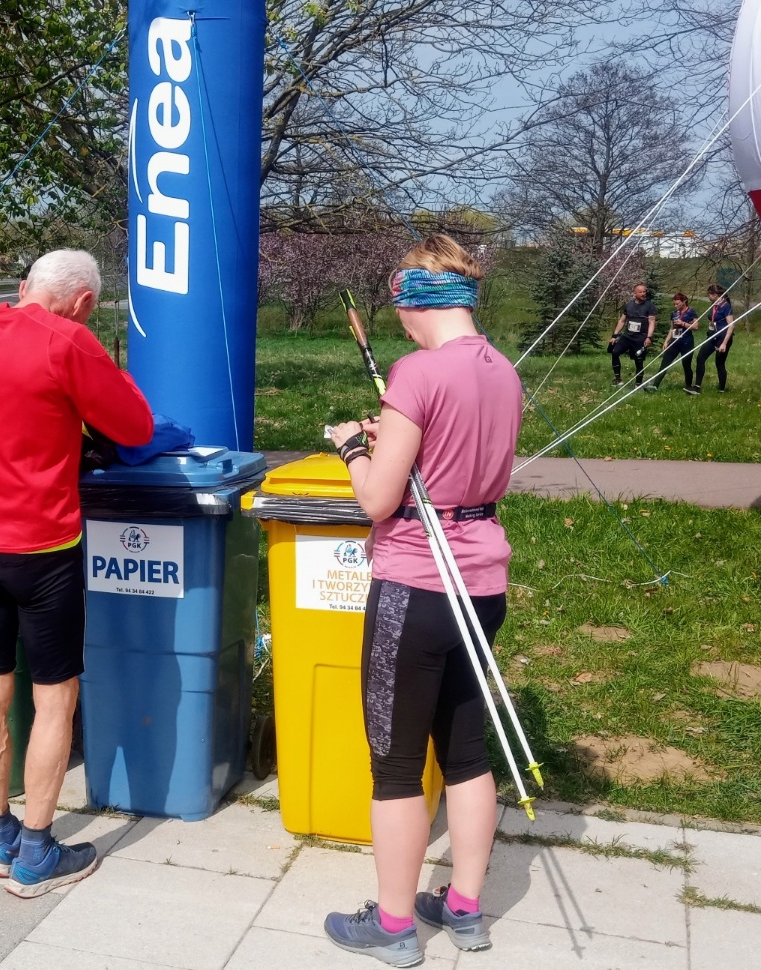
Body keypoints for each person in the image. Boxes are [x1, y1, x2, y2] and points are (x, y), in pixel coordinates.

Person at [323, 235, 522, 966]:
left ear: (415, 302)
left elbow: (379, 499)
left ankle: (396, 926)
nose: (399, 323)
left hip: (415, 588)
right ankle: (466, 910)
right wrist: (397, 438)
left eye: (400, 307)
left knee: (398, 767)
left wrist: (354, 445)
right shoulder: (503, 369)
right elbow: (452, 457)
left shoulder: (415, 371)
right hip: (484, 582)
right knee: (467, 753)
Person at [0, 249, 153, 899]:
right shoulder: (70, 341)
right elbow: (134, 426)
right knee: (54, 697)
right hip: (44, 549)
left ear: (26, 287)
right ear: (82, 302)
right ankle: (36, 853)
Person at [688, 283, 735, 394]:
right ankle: (697, 387)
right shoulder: (714, 305)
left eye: (708, 295)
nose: (708, 297)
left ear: (714, 295)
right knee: (700, 358)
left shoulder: (726, 306)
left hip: (723, 338)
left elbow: (731, 325)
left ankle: (722, 389)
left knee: (719, 363)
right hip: (712, 337)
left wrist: (724, 343)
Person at [608, 283, 657, 388]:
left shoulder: (650, 306)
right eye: (640, 292)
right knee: (615, 352)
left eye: (644, 291)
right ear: (634, 293)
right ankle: (618, 379)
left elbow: (652, 322)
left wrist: (649, 337)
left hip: (640, 338)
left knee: (638, 360)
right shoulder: (629, 305)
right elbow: (622, 321)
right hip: (627, 336)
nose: (643, 294)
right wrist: (615, 335)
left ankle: (638, 384)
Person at [650, 292, 699, 391]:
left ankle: (688, 386)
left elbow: (696, 327)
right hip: (674, 341)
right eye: (674, 304)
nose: (675, 306)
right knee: (665, 363)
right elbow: (671, 328)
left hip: (686, 341)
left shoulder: (691, 311)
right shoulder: (673, 313)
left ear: (684, 302)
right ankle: (655, 385)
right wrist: (666, 341)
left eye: (677, 304)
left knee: (686, 364)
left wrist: (683, 323)